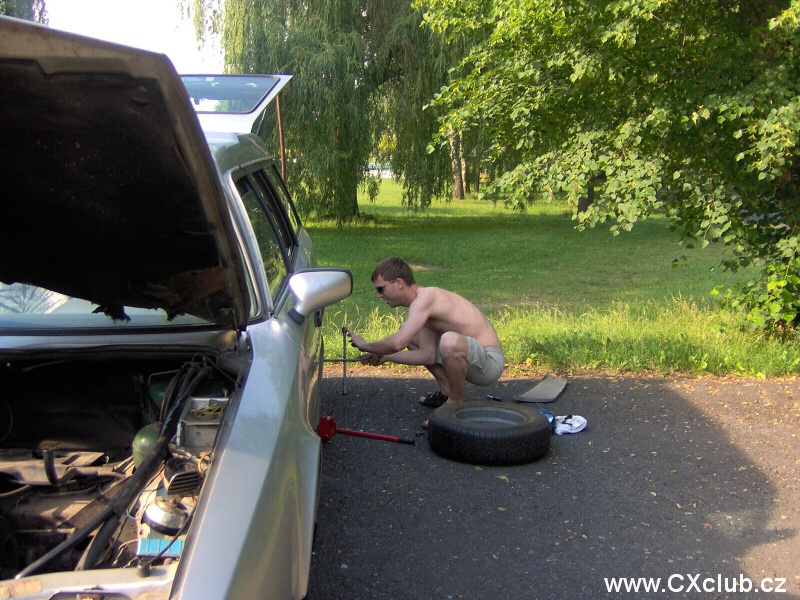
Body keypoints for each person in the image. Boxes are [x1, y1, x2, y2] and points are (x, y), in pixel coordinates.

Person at [346, 257, 504, 420]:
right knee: (411, 334)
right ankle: (447, 391)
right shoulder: (421, 308)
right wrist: (386, 356)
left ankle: (454, 404)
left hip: (490, 362)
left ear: (398, 283)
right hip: (473, 359)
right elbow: (426, 355)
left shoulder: (427, 298)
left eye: (381, 289)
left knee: (449, 341)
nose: (379, 296)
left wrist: (364, 345)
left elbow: (397, 343)